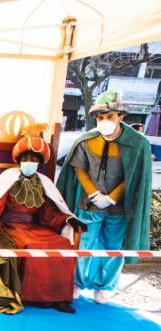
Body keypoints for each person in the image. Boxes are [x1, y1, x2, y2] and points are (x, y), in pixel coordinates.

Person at [56, 90, 152, 304]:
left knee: (112, 246)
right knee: (84, 244)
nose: (104, 121)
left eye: (109, 116)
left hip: (118, 208)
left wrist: (112, 197)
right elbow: (78, 168)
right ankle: (77, 282)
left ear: (121, 117)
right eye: (100, 117)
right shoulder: (85, 140)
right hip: (88, 205)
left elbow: (135, 176)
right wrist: (93, 193)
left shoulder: (137, 144)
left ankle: (104, 285)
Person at [0, 125, 87, 314]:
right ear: (19, 160)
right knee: (32, 245)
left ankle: (59, 297)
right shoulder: (9, 178)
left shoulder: (44, 182)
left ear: (40, 162)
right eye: (26, 158)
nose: (29, 162)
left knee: (62, 243)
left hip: (35, 225)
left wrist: (67, 220)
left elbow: (48, 211)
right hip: (11, 226)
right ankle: (37, 296)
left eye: (34, 159)